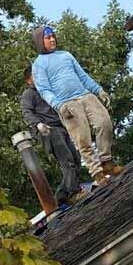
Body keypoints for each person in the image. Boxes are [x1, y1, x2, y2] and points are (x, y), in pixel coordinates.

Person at [31, 25, 124, 184]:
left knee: (104, 123)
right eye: (48, 38)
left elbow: (82, 75)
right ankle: (97, 173)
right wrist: (58, 105)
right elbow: (44, 90)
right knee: (83, 138)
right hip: (67, 104)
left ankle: (106, 161)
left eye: (53, 36)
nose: (52, 39)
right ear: (41, 41)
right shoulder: (39, 65)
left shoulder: (66, 55)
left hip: (85, 95)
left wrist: (98, 90)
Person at [20, 64, 86, 205]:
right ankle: (73, 193)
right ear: (29, 80)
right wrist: (38, 124)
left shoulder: (47, 90)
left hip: (62, 127)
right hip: (49, 130)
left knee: (76, 159)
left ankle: (62, 195)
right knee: (67, 160)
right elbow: (26, 112)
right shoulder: (29, 94)